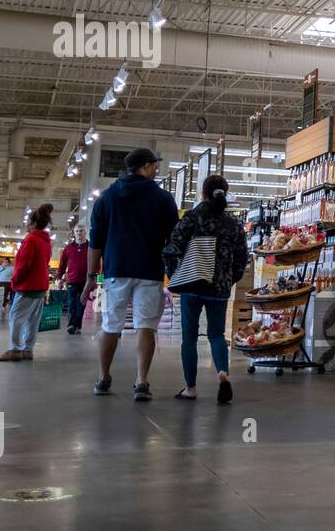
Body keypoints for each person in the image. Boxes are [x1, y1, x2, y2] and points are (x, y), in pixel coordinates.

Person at [82, 147, 180, 401]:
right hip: (149, 270)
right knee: (146, 326)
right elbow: (174, 238)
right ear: (145, 167)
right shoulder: (163, 199)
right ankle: (141, 382)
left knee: (111, 325)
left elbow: (95, 241)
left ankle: (103, 378)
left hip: (117, 269)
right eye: (154, 165)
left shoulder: (107, 198)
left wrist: (91, 276)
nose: (157, 170)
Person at [163, 174, 249, 404]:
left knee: (189, 339)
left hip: (192, 284)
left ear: (203, 193)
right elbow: (242, 256)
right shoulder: (233, 222)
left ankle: (190, 388)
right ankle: (223, 372)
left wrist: (175, 274)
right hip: (219, 287)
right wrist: (230, 279)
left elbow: (172, 248)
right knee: (216, 335)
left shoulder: (192, 217)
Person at [0, 204, 54, 362]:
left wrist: (15, 281)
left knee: (16, 317)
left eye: (28, 222)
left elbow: (23, 265)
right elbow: (46, 261)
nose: (26, 225)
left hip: (28, 286)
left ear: (34, 224)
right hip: (41, 286)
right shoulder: (46, 241)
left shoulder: (31, 240)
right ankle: (28, 349)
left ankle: (15, 349)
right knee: (33, 320)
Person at [56, 224, 90, 333]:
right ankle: (71, 325)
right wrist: (59, 278)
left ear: (85, 232)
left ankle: (77, 325)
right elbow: (62, 264)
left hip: (86, 281)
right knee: (71, 303)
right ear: (74, 233)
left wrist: (96, 278)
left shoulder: (91, 247)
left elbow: (97, 264)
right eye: (77, 231)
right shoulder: (68, 248)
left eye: (81, 231)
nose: (79, 233)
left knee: (82, 304)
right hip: (71, 280)